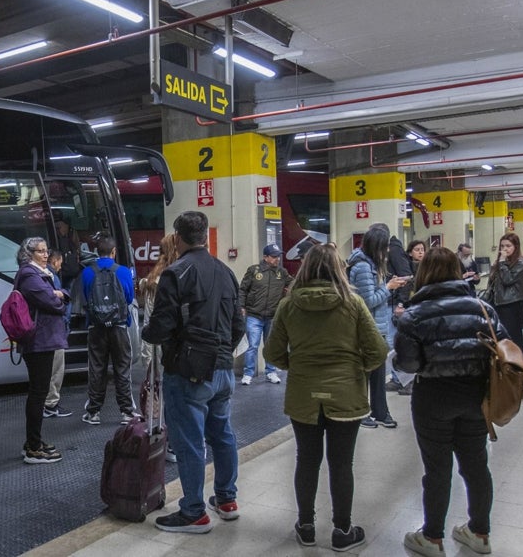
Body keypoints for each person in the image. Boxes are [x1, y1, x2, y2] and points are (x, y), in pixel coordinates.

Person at [263, 243, 387, 551]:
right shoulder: (353, 303)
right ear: (338, 268)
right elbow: (379, 351)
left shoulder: (288, 305)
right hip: (346, 394)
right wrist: (356, 369)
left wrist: (299, 366)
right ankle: (342, 531)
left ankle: (306, 527)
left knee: (306, 460)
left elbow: (272, 352)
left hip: (303, 393)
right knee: (341, 464)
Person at [395, 247, 507, 556]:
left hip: (433, 397)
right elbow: (503, 349)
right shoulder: (483, 309)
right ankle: (480, 533)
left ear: (424, 274)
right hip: (477, 396)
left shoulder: (414, 315)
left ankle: (432, 538)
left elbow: (408, 364)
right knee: (476, 465)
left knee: (437, 468)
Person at [142, 211, 245, 534]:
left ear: (178, 237)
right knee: (222, 434)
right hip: (223, 369)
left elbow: (161, 327)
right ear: (204, 236)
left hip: (188, 371)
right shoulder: (226, 272)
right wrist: (222, 351)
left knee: (189, 443)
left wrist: (147, 333)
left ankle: (193, 512)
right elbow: (238, 324)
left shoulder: (176, 273)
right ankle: (227, 500)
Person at [13, 237, 70, 464]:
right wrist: (59, 296)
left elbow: (58, 295)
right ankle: (33, 448)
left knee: (39, 392)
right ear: (29, 254)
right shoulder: (30, 275)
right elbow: (54, 303)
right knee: (38, 394)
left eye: (46, 251)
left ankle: (34, 442)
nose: (46, 255)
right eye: (41, 251)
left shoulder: (37, 274)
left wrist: (59, 294)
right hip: (39, 342)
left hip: (43, 340)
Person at [347, 225, 408, 428]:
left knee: (379, 373)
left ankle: (381, 412)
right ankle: (362, 412)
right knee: (364, 373)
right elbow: (368, 301)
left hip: (377, 327)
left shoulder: (371, 264)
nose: (388, 252)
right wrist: (389, 288)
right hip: (366, 329)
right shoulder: (363, 267)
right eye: (385, 247)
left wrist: (388, 285)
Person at [80, 236, 136, 426]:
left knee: (96, 368)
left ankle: (93, 412)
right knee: (122, 368)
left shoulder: (87, 272)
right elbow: (128, 298)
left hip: (96, 328)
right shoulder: (123, 271)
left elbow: (85, 298)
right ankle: (127, 412)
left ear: (97, 252)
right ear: (113, 252)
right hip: (119, 326)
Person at [238, 244, 292, 385]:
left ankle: (271, 372)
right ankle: (248, 373)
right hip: (254, 315)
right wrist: (241, 306)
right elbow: (243, 289)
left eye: (278, 256)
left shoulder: (282, 273)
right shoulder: (254, 271)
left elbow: (293, 284)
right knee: (253, 346)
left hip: (272, 315)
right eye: (274, 257)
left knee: (270, 345)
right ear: (265, 257)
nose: (277, 259)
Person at [136, 233, 180, 373]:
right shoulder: (186, 276)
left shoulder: (152, 281)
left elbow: (150, 322)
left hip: (163, 356)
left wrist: (148, 364)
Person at [388, 239, 426, 394]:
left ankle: (408, 380)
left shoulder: (419, 270)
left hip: (415, 309)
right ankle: (401, 379)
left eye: (422, 249)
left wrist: (401, 304)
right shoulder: (410, 267)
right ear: (410, 252)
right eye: (417, 249)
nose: (420, 252)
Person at [42, 250, 73, 419]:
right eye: (60, 262)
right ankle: (51, 405)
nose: (61, 266)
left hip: (47, 332)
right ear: (54, 261)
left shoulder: (41, 275)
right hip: (55, 331)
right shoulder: (52, 277)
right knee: (56, 369)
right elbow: (59, 304)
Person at [489, 233, 523, 351]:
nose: (505, 249)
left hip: (513, 303)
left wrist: (502, 264)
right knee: (500, 336)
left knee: (513, 336)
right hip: (498, 302)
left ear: (515, 247)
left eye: (508, 246)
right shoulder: (500, 263)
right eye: (502, 246)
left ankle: (517, 364)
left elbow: (508, 280)